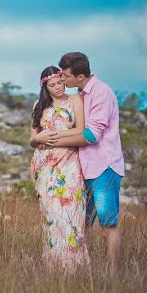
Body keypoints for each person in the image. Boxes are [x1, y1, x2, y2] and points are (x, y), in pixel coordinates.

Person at [43, 52, 125, 273]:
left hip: (104, 168)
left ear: (79, 76)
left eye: (65, 75)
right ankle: (83, 270)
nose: (62, 79)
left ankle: (114, 275)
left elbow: (91, 135)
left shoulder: (101, 93)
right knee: (81, 223)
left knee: (108, 223)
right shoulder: (79, 95)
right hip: (81, 169)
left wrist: (54, 139)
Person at [29, 66, 90, 270]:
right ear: (45, 86)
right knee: (52, 215)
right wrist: (39, 137)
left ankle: (74, 266)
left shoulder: (74, 100)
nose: (58, 88)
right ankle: (54, 265)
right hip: (44, 164)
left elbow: (81, 130)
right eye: (52, 85)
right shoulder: (39, 105)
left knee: (71, 212)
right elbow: (32, 139)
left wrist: (53, 137)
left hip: (69, 161)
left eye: (60, 83)